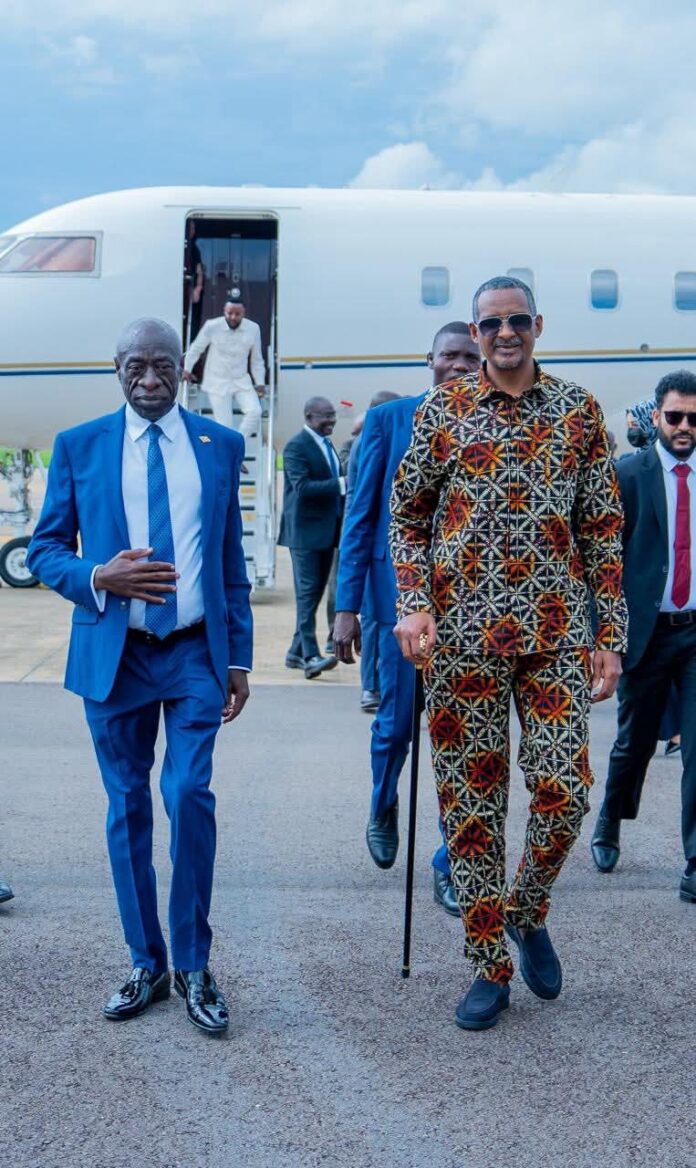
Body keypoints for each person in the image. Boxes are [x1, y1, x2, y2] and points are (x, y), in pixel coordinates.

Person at [389, 276, 627, 1031]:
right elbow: (408, 517)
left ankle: (525, 909)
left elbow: (602, 531)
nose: (504, 333)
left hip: (555, 635)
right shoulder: (442, 411)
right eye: (491, 323)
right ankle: (488, 963)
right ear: (475, 331)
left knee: (566, 792)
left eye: (517, 320)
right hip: (461, 639)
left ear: (538, 325)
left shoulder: (578, 410)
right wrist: (413, 602)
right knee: (472, 805)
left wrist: (610, 637)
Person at [27, 318, 253, 1036]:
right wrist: (99, 575)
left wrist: (238, 658)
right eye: (136, 367)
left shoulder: (220, 446)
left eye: (162, 366)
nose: (150, 380)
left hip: (191, 653)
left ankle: (194, 964)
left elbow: (230, 564)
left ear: (183, 370)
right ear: (117, 367)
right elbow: (44, 550)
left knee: (187, 794)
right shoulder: (79, 445)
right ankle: (145, 962)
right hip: (114, 654)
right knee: (127, 806)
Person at [334, 324, 480, 915]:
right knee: (395, 727)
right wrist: (346, 607)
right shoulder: (388, 421)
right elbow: (360, 516)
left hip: (471, 611)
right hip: (398, 605)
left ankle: (450, 861)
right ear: (430, 360)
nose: (460, 365)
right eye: (450, 355)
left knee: (459, 739)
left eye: (470, 357)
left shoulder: (496, 421)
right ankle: (382, 802)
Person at [591, 371, 696, 898]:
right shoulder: (628, 475)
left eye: (693, 418)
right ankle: (610, 816)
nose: (684, 426)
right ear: (656, 416)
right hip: (646, 634)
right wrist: (604, 638)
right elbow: (604, 563)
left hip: (695, 632)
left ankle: (694, 861)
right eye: (674, 416)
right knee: (634, 744)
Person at [279, 396, 345, 680]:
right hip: (304, 535)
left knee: (315, 594)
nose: (331, 420)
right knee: (307, 597)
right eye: (325, 416)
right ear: (309, 416)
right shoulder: (297, 445)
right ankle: (310, 656)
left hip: (326, 533)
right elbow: (302, 487)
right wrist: (343, 483)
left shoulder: (325, 443)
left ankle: (295, 652)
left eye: (333, 415)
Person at [345, 390, 402, 714]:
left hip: (386, 549)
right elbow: (358, 503)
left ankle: (381, 685)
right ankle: (370, 686)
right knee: (371, 620)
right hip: (369, 550)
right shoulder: (365, 443)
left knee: (384, 622)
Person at [182, 300, 265, 464]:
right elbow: (196, 348)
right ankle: (232, 456)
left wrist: (260, 382)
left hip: (241, 380)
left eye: (237, 314)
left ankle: (235, 446)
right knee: (225, 425)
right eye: (229, 313)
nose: (233, 317)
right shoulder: (212, 326)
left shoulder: (253, 328)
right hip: (217, 381)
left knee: (255, 412)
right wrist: (187, 369)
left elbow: (257, 359)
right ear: (224, 312)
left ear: (243, 313)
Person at [183, 221, 204, 343]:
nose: (193, 231)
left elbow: (199, 270)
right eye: (191, 228)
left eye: (193, 228)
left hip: (189, 286)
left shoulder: (194, 249)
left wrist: (198, 288)